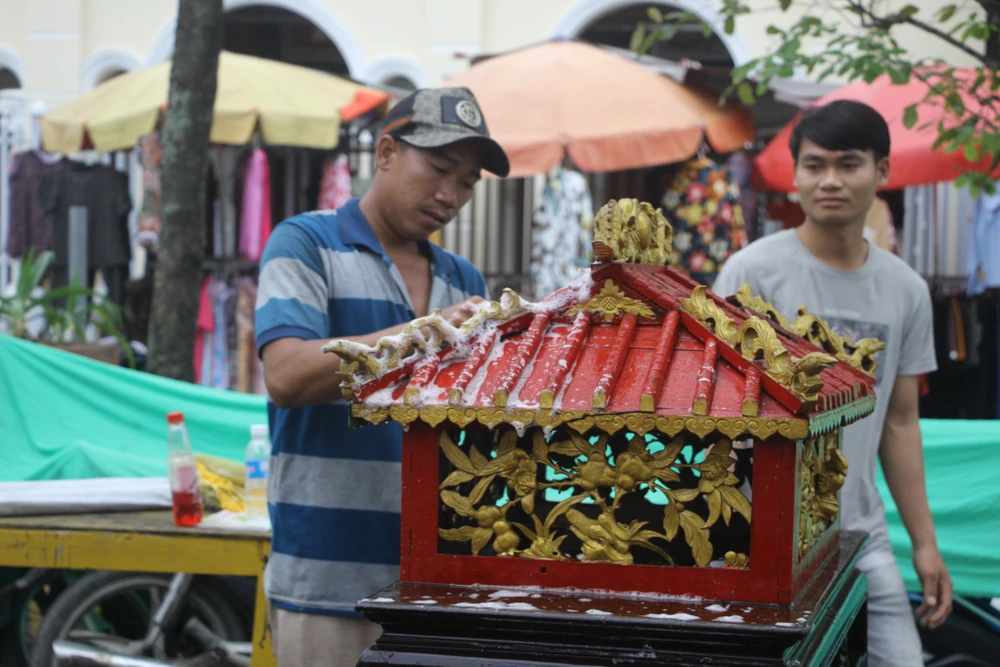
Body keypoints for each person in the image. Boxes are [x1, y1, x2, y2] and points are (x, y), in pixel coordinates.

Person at [255, 87, 510, 666]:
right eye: (440, 169)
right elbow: (287, 375)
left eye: (467, 182)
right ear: (387, 152)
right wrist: (423, 334)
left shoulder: (463, 278)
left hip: (436, 585)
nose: (450, 195)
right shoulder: (306, 242)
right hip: (326, 580)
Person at [713, 100, 952, 667]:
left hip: (860, 536)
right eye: (815, 165)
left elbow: (900, 423)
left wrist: (924, 543)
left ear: (881, 171)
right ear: (795, 174)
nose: (830, 181)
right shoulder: (750, 274)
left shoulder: (907, 289)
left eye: (848, 164)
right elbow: (718, 410)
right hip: (758, 538)